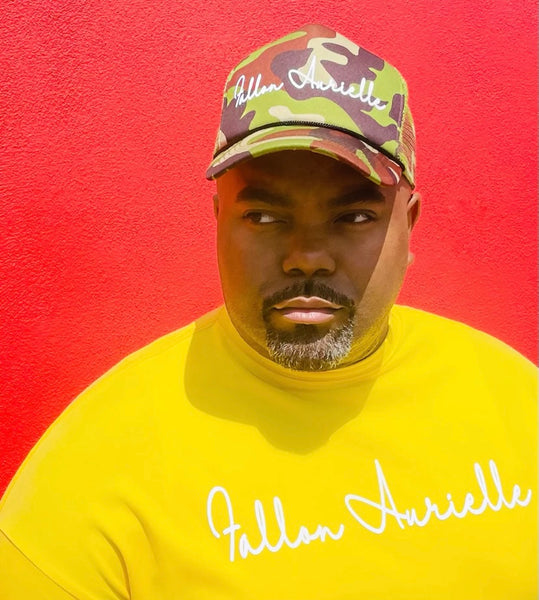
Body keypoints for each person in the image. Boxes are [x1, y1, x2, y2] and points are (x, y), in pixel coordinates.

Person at [0, 23, 536, 599]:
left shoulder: (516, 404)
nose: (307, 256)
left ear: (409, 226)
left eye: (354, 217)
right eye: (263, 217)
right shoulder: (90, 471)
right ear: (219, 221)